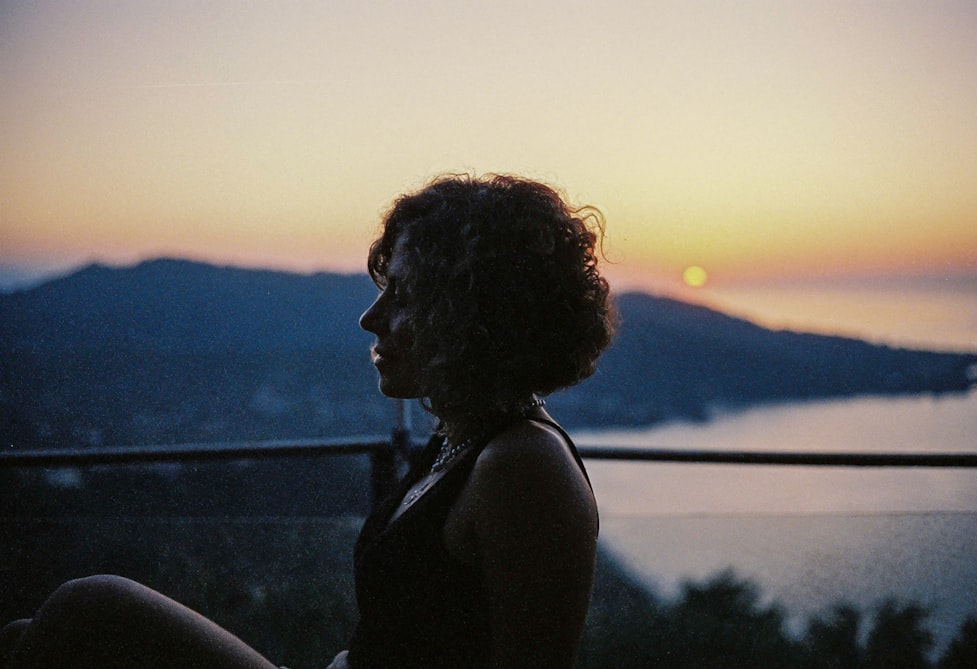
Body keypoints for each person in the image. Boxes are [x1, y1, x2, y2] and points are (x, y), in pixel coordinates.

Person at [0, 173, 615, 669]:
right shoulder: (463, 438)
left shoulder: (524, 467)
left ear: (475, 317)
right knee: (30, 634)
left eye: (402, 296)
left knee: (89, 607)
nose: (368, 319)